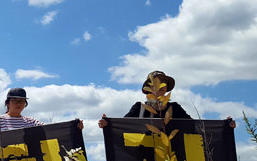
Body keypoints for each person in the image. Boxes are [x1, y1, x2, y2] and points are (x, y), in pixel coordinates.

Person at [98, 70, 235, 128]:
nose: (161, 86)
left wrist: (225, 126)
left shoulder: (174, 108)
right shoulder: (139, 108)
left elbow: (195, 127)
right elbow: (123, 127)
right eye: (156, 83)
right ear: (149, 88)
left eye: (163, 83)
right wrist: (107, 124)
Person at [0, 88, 82, 144]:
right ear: (8, 103)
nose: (18, 104)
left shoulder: (30, 121)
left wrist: (74, 128)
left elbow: (51, 129)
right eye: (15, 101)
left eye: (22, 101)